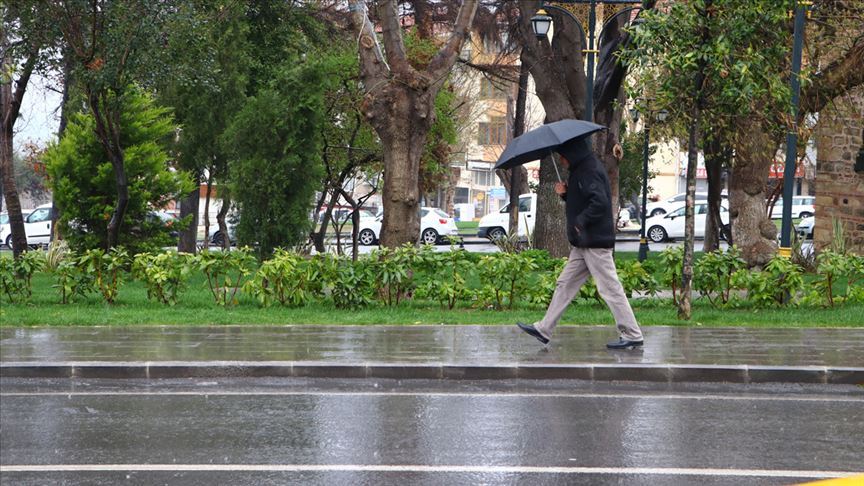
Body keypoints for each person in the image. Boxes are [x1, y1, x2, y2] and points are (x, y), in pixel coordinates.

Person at [517, 138, 644, 350]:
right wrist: (566, 194)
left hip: (594, 242)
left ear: (572, 153)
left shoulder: (589, 170)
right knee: (565, 284)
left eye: (563, 156)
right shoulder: (582, 169)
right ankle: (544, 329)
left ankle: (632, 334)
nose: (561, 160)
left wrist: (580, 222)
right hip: (583, 243)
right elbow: (584, 199)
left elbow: (600, 202)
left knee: (610, 289)